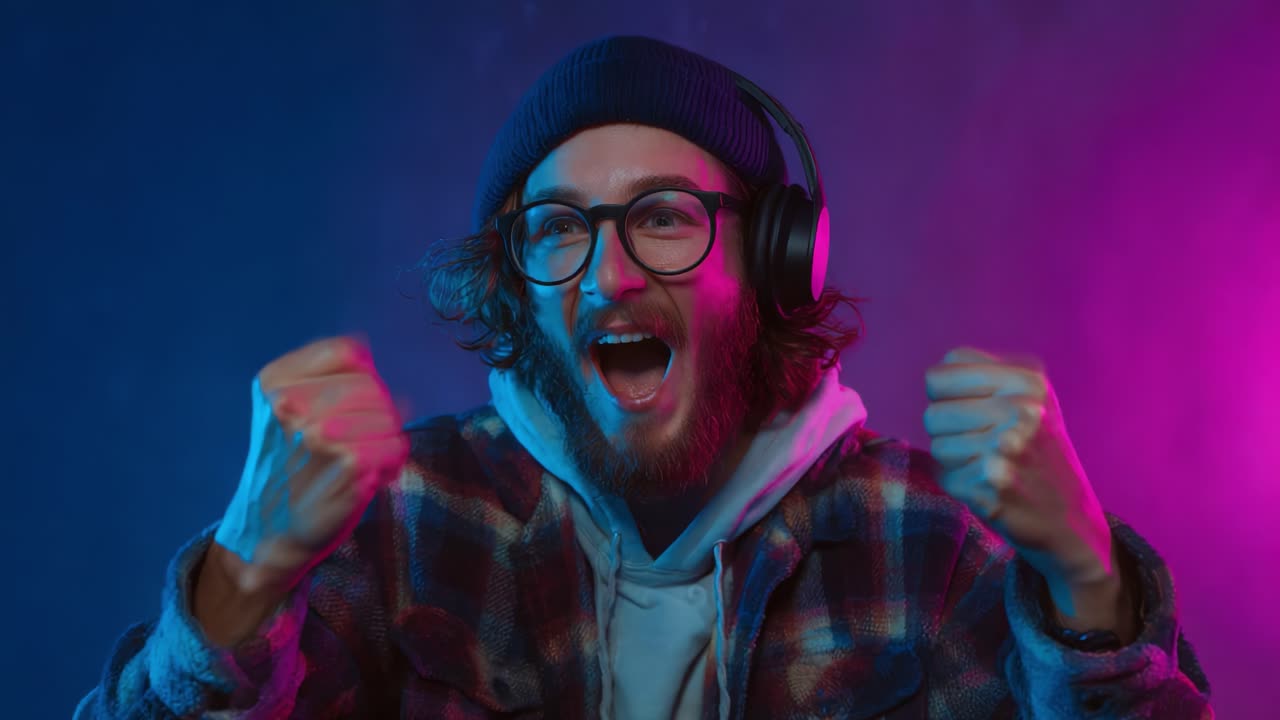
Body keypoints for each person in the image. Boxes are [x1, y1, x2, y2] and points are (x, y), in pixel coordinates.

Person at [77, 35, 1213, 719]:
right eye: (559, 230)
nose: (609, 275)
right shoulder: (395, 526)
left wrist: (1080, 580)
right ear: (513, 283)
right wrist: (244, 572)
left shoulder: (924, 539)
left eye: (663, 219)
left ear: (774, 262)